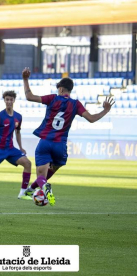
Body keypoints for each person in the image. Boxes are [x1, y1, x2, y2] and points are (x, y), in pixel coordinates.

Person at [22, 67, 115, 205]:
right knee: (54, 167)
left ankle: (43, 185)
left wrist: (25, 79)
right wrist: (105, 110)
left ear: (60, 89)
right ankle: (31, 189)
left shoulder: (53, 98)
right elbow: (91, 119)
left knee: (41, 175)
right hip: (60, 145)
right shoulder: (75, 104)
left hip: (45, 142)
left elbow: (29, 97)